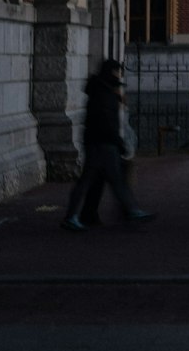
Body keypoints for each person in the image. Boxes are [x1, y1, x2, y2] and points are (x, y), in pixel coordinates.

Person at [61, 59, 156, 231]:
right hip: (103, 143)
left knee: (93, 180)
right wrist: (118, 142)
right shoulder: (104, 94)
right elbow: (106, 121)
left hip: (99, 142)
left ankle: (78, 215)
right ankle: (130, 210)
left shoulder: (100, 90)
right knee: (112, 179)